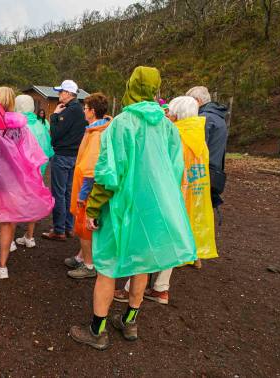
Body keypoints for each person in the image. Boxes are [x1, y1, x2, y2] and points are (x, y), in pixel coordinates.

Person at [69, 67, 196, 350]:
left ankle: (97, 329)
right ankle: (129, 321)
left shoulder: (121, 124)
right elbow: (176, 171)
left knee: (107, 268)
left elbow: (107, 173)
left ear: (130, 86)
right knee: (143, 263)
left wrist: (92, 209)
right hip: (153, 210)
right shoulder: (167, 127)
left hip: (120, 209)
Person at [114, 96, 218, 305]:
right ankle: (161, 288)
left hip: (168, 193)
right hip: (191, 196)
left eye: (170, 112)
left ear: (177, 114)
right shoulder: (198, 136)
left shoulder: (177, 134)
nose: (167, 115)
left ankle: (131, 290)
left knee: (151, 239)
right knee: (169, 237)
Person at [0, 87, 53, 279]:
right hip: (12, 182)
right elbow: (31, 155)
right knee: (7, 222)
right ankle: (2, 266)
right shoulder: (20, 127)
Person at [65, 93, 112, 279]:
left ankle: (89, 265)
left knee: (85, 227)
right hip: (87, 185)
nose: (84, 111)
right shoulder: (96, 130)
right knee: (84, 226)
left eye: (85, 108)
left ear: (92, 111)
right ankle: (81, 255)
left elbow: (91, 171)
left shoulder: (96, 134)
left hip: (88, 189)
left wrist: (82, 196)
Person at [42, 80, 88, 241]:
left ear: (68, 93)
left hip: (63, 155)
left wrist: (54, 115)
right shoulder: (79, 110)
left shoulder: (69, 111)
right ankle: (69, 227)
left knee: (59, 193)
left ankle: (59, 229)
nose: (59, 94)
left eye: (61, 91)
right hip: (75, 156)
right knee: (68, 192)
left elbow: (55, 133)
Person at [13, 95, 54, 248]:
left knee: (15, 203)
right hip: (39, 171)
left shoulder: (17, 124)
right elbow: (49, 151)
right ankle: (29, 237)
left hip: (20, 172)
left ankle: (9, 240)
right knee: (33, 202)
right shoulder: (41, 125)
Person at [185, 86, 228, 210]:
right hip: (215, 170)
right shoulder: (218, 116)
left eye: (190, 102)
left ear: (197, 101)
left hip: (202, 172)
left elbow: (195, 149)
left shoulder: (204, 118)